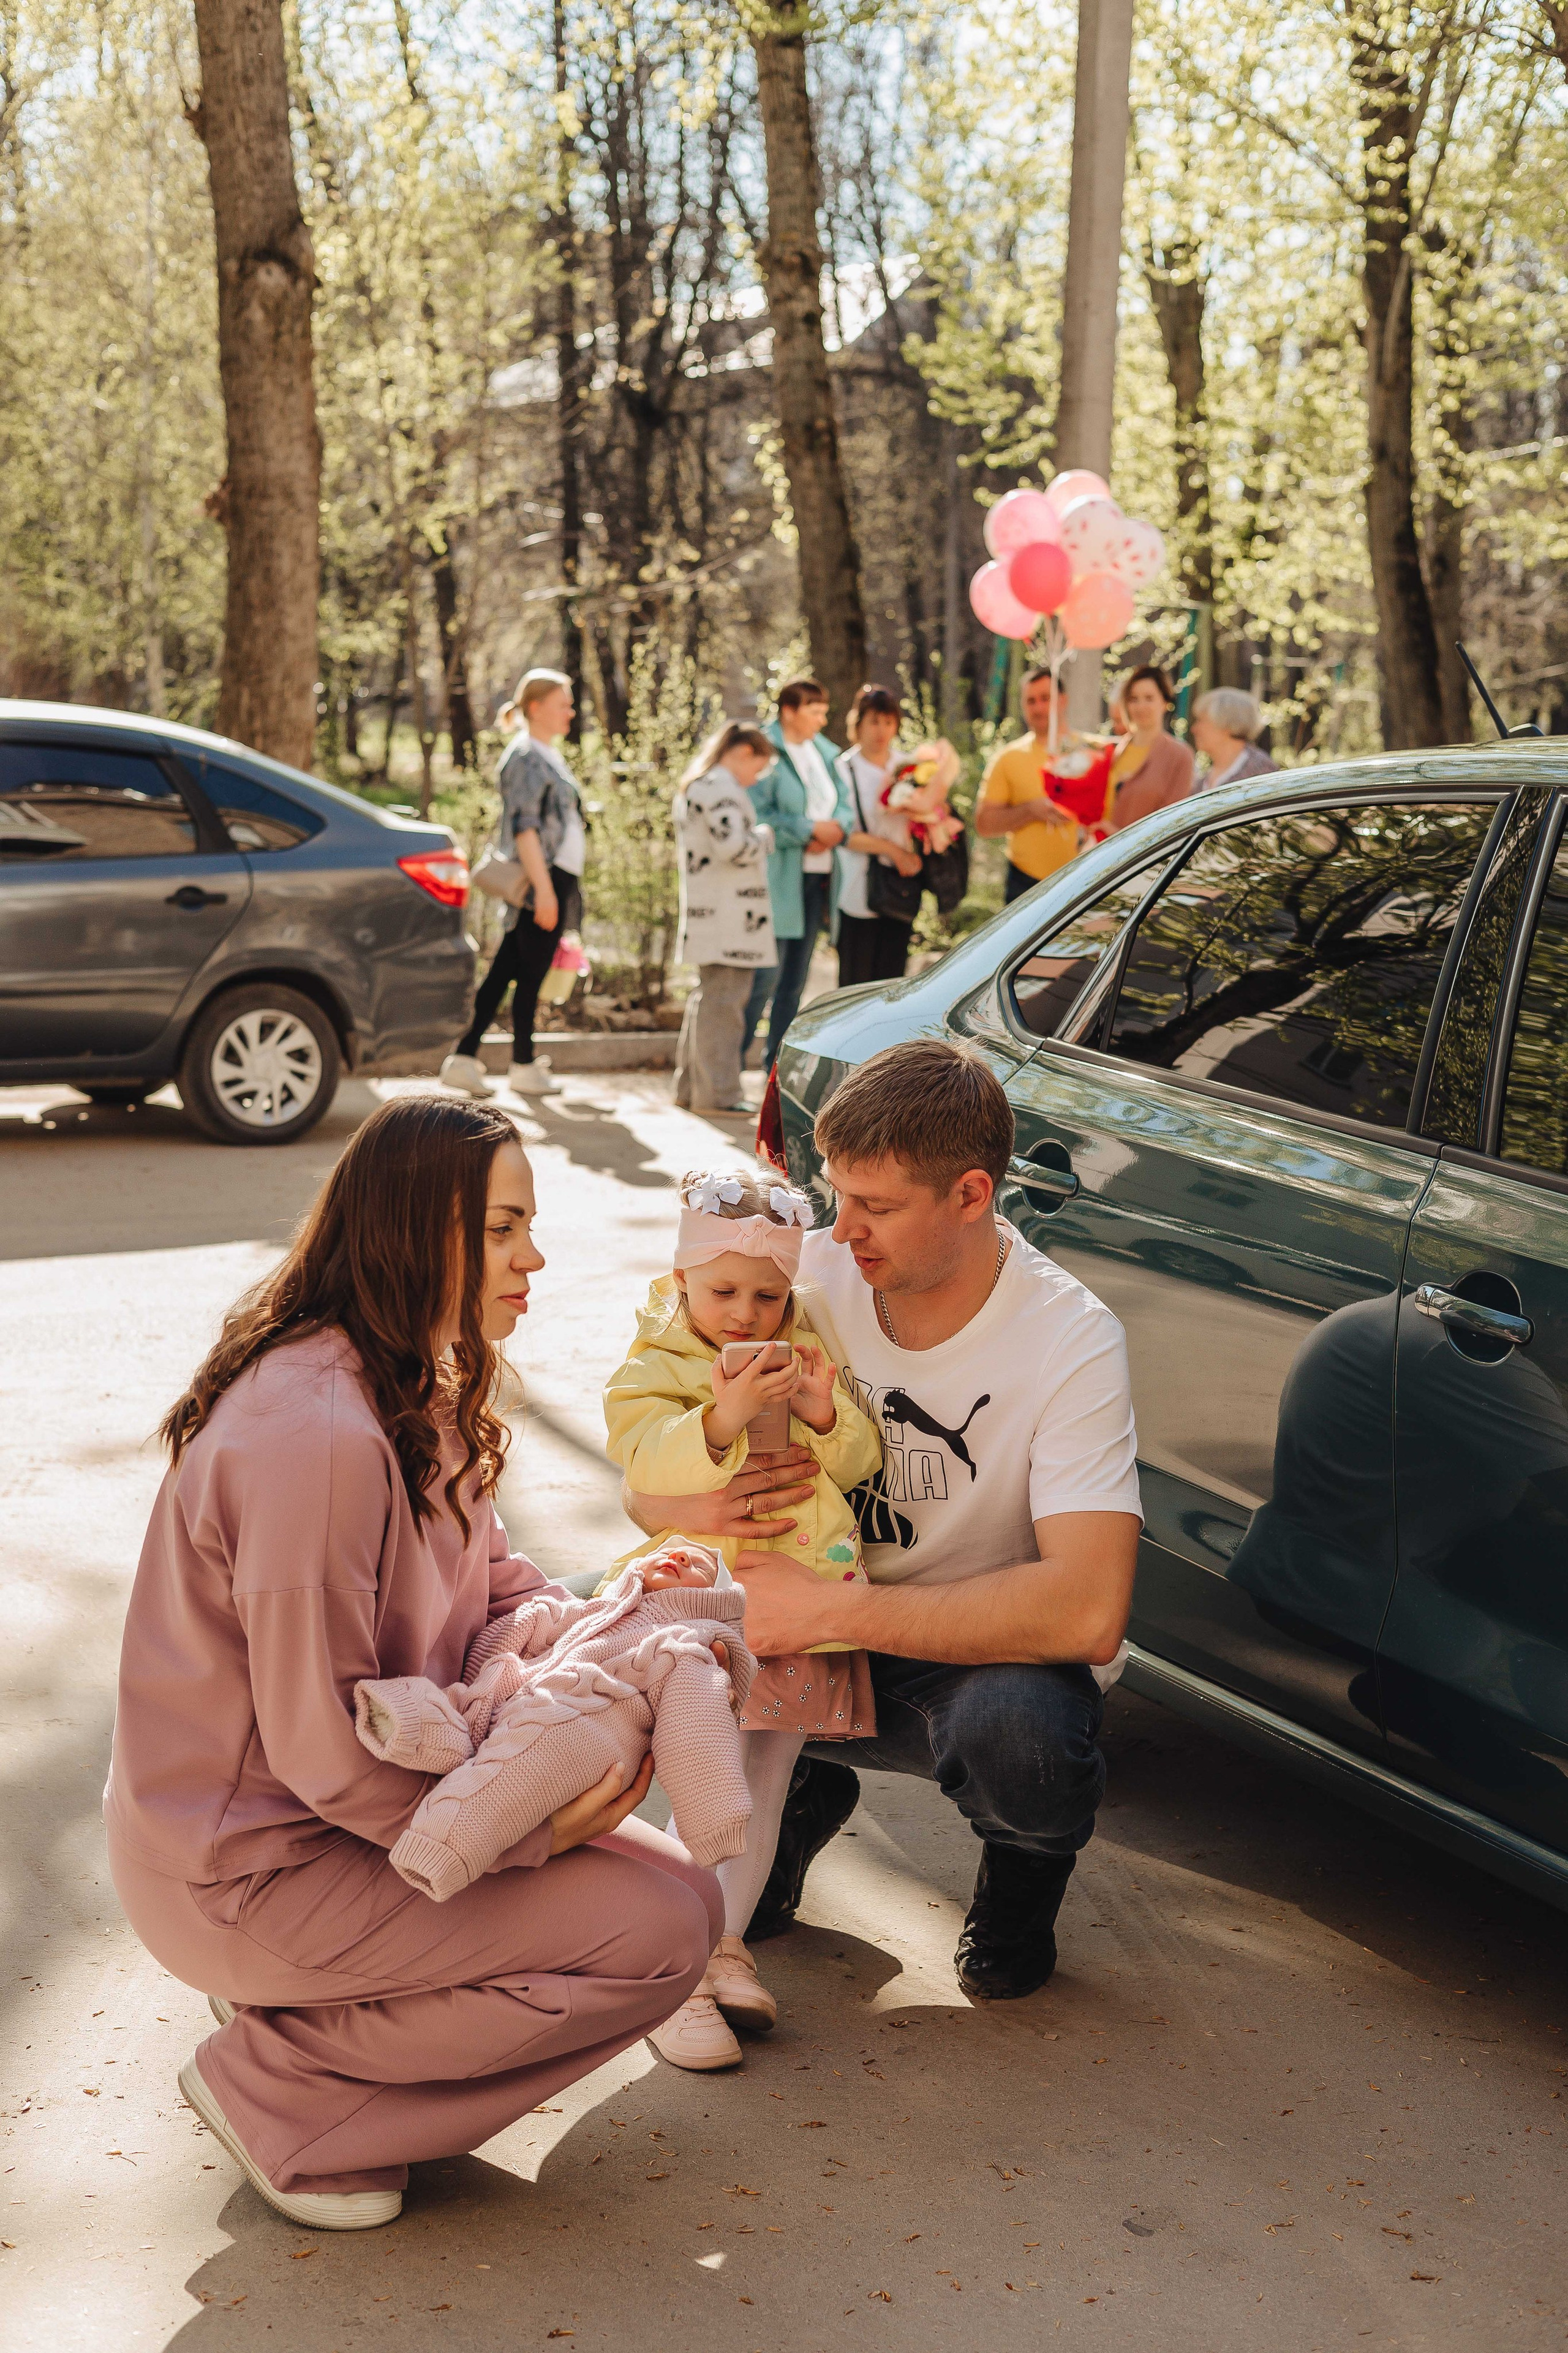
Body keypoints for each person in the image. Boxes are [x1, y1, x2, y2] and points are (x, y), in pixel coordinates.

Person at [104, 1096, 721, 2233]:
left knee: (683, 1892)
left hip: (330, 1835)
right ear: (404, 1229)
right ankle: (283, 2091)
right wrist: (535, 1828)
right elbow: (324, 1751)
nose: (532, 1256)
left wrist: (606, 1619)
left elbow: (487, 1579)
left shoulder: (410, 1383)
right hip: (248, 1870)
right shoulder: (319, 1437)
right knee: (662, 1937)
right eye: (499, 1229)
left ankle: (309, 2030)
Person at [624, 1040, 1143, 2001]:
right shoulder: (790, 1277)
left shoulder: (1070, 1339)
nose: (842, 1229)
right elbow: (643, 1459)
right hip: (792, 1610)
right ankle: (792, 1798)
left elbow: (1088, 1611)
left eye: (879, 1206)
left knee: (1024, 1743)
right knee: (598, 1629)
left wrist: (828, 1612)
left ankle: (1024, 1871)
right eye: (834, 1192)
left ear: (972, 1194)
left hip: (962, 1649)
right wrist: (695, 1506)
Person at [601, 1166, 881, 2069]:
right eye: (723, 1289)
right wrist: (718, 1422)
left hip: (804, 1605)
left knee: (762, 1783)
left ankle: (722, 1948)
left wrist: (822, 1411)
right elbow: (644, 1461)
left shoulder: (803, 1346)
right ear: (682, 1277)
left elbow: (855, 1463)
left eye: (768, 1293)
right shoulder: (656, 1363)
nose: (746, 1311)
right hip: (704, 1608)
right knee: (703, 1775)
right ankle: (673, 1976)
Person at [442, 668, 587, 1101]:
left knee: (509, 968)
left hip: (553, 878)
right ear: (536, 708)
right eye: (564, 703)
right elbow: (525, 828)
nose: (571, 711)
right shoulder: (525, 756)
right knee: (529, 973)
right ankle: (521, 1064)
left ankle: (464, 1059)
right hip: (542, 878)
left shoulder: (545, 753)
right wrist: (543, 890)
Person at [744, 676, 851, 1071]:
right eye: (815, 712)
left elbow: (845, 804)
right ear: (789, 711)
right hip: (779, 877)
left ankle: (776, 1067)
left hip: (819, 878)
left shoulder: (826, 752)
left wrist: (835, 829)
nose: (822, 721)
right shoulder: (763, 750)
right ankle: (732, 1065)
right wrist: (809, 830)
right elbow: (758, 814)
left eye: (825, 712)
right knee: (764, 978)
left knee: (795, 981)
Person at [671, 722, 777, 1115]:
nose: (755, 780)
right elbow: (733, 848)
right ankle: (719, 1095)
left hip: (714, 913)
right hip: (731, 917)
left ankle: (690, 1089)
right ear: (743, 753)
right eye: (758, 768)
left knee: (709, 1000)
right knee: (726, 1005)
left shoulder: (700, 784)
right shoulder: (721, 789)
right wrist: (764, 835)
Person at [834, 684, 925, 988]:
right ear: (858, 724)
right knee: (854, 987)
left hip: (900, 888)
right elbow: (842, 833)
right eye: (874, 721)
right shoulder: (844, 769)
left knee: (892, 986)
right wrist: (892, 850)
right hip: (859, 888)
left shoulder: (908, 766)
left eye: (888, 722)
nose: (881, 730)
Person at [974, 667, 1085, 904]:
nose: (1038, 707)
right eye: (1031, 701)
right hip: (1026, 885)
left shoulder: (1092, 752)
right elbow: (984, 824)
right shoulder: (1008, 758)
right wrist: (1030, 811)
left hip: (1086, 880)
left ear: (1063, 700)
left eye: (1046, 699)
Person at [1106, 665, 1195, 830]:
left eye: (1149, 698)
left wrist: (1116, 835)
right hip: (1097, 850)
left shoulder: (1180, 756)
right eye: (1134, 699)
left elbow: (1173, 826)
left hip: (1143, 854)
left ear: (1165, 702)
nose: (1141, 707)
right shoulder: (1112, 751)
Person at [1190, 687, 1279, 790]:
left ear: (1226, 725)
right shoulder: (1203, 779)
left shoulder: (1261, 771)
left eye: (1201, 721)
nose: (1194, 729)